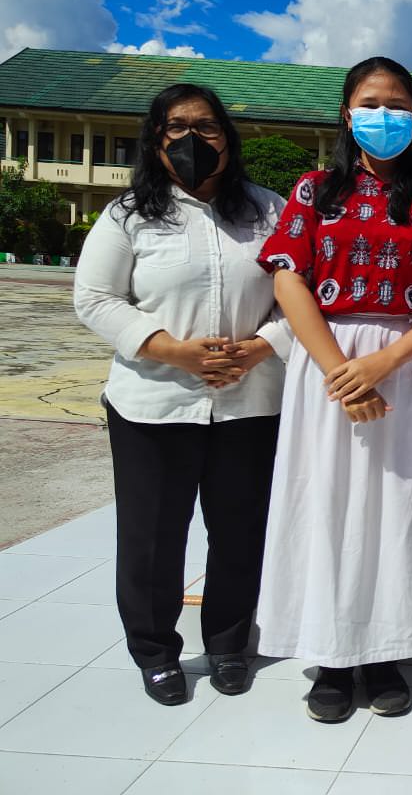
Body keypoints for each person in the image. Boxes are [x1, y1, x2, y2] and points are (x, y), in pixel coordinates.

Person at [255, 56, 412, 723]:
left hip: (411, 365)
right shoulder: (311, 192)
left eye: (398, 104)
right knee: (328, 500)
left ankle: (384, 650)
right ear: (348, 115)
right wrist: (337, 369)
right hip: (328, 362)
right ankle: (331, 654)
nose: (385, 116)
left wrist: (385, 364)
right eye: (370, 103)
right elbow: (288, 277)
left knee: (398, 505)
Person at [74, 84, 289, 706]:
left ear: (229, 136)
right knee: (152, 536)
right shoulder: (129, 215)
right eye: (176, 127)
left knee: (239, 531)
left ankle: (227, 643)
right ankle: (155, 651)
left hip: (249, 402)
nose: (193, 139)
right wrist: (173, 349)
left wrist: (258, 347)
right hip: (153, 403)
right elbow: (94, 298)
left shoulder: (267, 211)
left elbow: (298, 297)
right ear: (156, 139)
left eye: (208, 126)